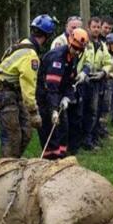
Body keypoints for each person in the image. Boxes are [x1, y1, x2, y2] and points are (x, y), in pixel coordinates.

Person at [0, 14, 56, 157]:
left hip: (10, 90)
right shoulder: (31, 55)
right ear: (48, 36)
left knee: (26, 132)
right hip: (2, 92)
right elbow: (28, 87)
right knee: (12, 136)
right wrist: (33, 112)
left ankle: (14, 160)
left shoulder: (22, 43)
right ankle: (6, 169)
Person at [36, 27, 89, 159]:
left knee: (63, 128)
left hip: (58, 95)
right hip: (45, 96)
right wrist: (53, 110)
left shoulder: (73, 57)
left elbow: (69, 81)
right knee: (50, 130)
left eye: (79, 50)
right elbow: (51, 88)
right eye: (75, 48)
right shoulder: (57, 59)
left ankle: (61, 157)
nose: (77, 52)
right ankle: (50, 160)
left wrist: (67, 97)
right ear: (70, 43)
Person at [80, 17, 112, 149]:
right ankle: (86, 140)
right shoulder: (84, 42)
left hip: (98, 81)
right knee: (89, 112)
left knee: (97, 111)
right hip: (85, 81)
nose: (97, 29)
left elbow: (108, 62)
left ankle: (93, 137)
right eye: (94, 27)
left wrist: (103, 72)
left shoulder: (102, 45)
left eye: (98, 27)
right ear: (88, 27)